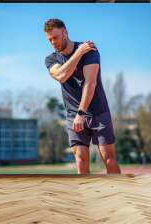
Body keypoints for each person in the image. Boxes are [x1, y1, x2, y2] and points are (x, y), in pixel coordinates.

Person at [44, 18, 121, 174]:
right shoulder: (51, 59)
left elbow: (90, 83)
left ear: (65, 32)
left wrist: (82, 112)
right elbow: (61, 76)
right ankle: (85, 194)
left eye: (56, 37)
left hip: (98, 111)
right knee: (81, 158)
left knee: (108, 157)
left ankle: (119, 190)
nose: (53, 42)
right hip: (73, 114)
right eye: (49, 39)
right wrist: (78, 52)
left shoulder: (90, 50)